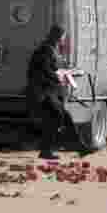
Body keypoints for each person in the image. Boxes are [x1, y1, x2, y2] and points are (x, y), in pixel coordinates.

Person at [26, 25, 69, 160]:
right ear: (57, 37)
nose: (63, 40)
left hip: (47, 90)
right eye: (63, 37)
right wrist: (59, 76)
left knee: (54, 117)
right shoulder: (46, 50)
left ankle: (46, 149)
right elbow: (45, 70)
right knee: (56, 116)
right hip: (43, 91)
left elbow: (51, 67)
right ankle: (46, 150)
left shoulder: (50, 49)